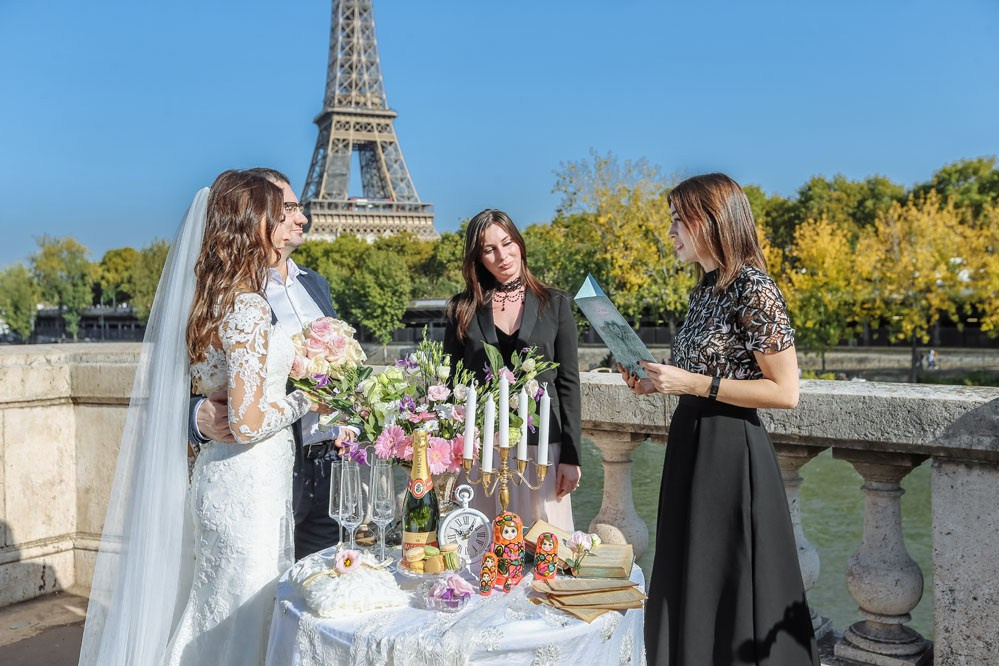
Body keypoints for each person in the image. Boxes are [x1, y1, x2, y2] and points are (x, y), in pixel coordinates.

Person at [79, 171, 324, 665]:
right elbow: (247, 422)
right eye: (277, 216)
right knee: (247, 613)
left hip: (219, 478)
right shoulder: (249, 305)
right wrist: (309, 400)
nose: (289, 225)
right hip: (252, 482)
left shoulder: (207, 302)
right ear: (253, 226)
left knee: (213, 607)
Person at [619, 174, 819, 665]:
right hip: (690, 444)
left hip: (731, 452)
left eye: (678, 220)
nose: (671, 231)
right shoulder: (705, 290)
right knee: (691, 574)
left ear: (712, 221)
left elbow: (785, 391)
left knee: (732, 582)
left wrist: (693, 384)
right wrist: (654, 382)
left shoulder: (754, 288)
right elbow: (698, 374)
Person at [189, 167, 354, 560]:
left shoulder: (316, 284)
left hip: (327, 466)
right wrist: (195, 417)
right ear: (255, 218)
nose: (300, 219)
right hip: (258, 472)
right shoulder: (227, 297)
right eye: (286, 210)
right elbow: (173, 382)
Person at [444, 209, 581, 531]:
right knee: (480, 544)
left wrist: (572, 457)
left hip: (542, 447)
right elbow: (451, 384)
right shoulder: (462, 309)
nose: (502, 256)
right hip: (481, 453)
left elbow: (569, 383)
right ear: (478, 258)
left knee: (545, 544)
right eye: (489, 249)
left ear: (519, 243)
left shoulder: (555, 304)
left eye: (507, 243)